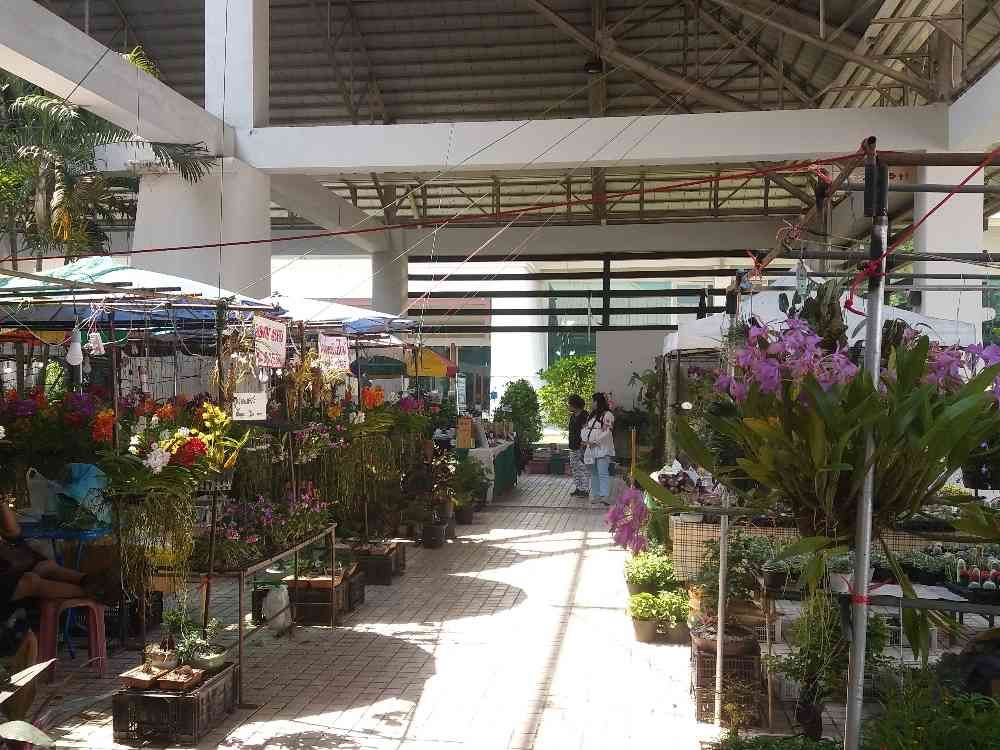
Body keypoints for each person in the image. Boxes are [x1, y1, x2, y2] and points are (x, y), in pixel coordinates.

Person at [0, 502, 103, 608]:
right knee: (29, 582)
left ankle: (91, 581)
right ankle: (93, 593)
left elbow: (13, 532)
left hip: (10, 561)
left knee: (46, 566)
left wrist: (2, 502)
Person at [582, 392, 615, 506]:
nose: (591, 403)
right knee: (594, 473)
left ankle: (605, 496)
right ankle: (596, 495)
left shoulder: (608, 414)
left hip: (603, 448)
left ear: (598, 402)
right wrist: (585, 440)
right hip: (591, 448)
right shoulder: (592, 415)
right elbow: (586, 429)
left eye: (593, 401)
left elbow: (608, 431)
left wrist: (595, 441)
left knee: (602, 472)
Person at [566, 394, 590, 498]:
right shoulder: (572, 416)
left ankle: (585, 489)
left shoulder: (584, 416)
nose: (568, 406)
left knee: (583, 468)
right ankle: (578, 487)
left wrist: (583, 444)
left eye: (570, 404)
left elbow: (586, 431)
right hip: (572, 446)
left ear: (575, 405)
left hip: (581, 446)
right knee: (574, 467)